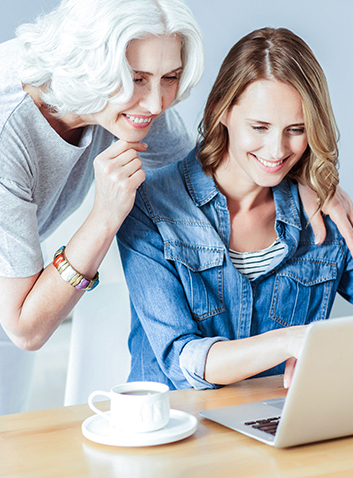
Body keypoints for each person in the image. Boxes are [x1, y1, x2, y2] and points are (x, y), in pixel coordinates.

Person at [117, 27, 353, 391]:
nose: (276, 150)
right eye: (259, 127)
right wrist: (289, 341)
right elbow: (181, 359)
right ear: (222, 112)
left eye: (296, 129)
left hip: (280, 429)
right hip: (176, 427)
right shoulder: (150, 207)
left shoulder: (324, 215)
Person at [0, 0, 203, 413]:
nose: (156, 103)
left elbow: (203, 177)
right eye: (137, 78)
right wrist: (104, 217)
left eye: (170, 77)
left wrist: (313, 185)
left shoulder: (129, 101)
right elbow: (25, 328)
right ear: (93, 64)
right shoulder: (9, 133)